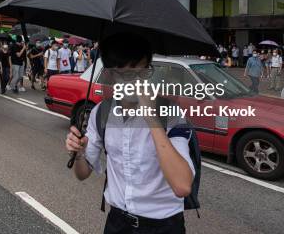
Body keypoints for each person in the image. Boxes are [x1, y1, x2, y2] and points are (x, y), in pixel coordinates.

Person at [65, 33, 194, 234]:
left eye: (142, 72)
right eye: (124, 74)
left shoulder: (172, 113)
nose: (134, 81)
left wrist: (152, 119)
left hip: (163, 226)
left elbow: (182, 186)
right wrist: (79, 153)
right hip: (117, 222)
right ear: (109, 75)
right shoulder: (101, 113)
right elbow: (82, 174)